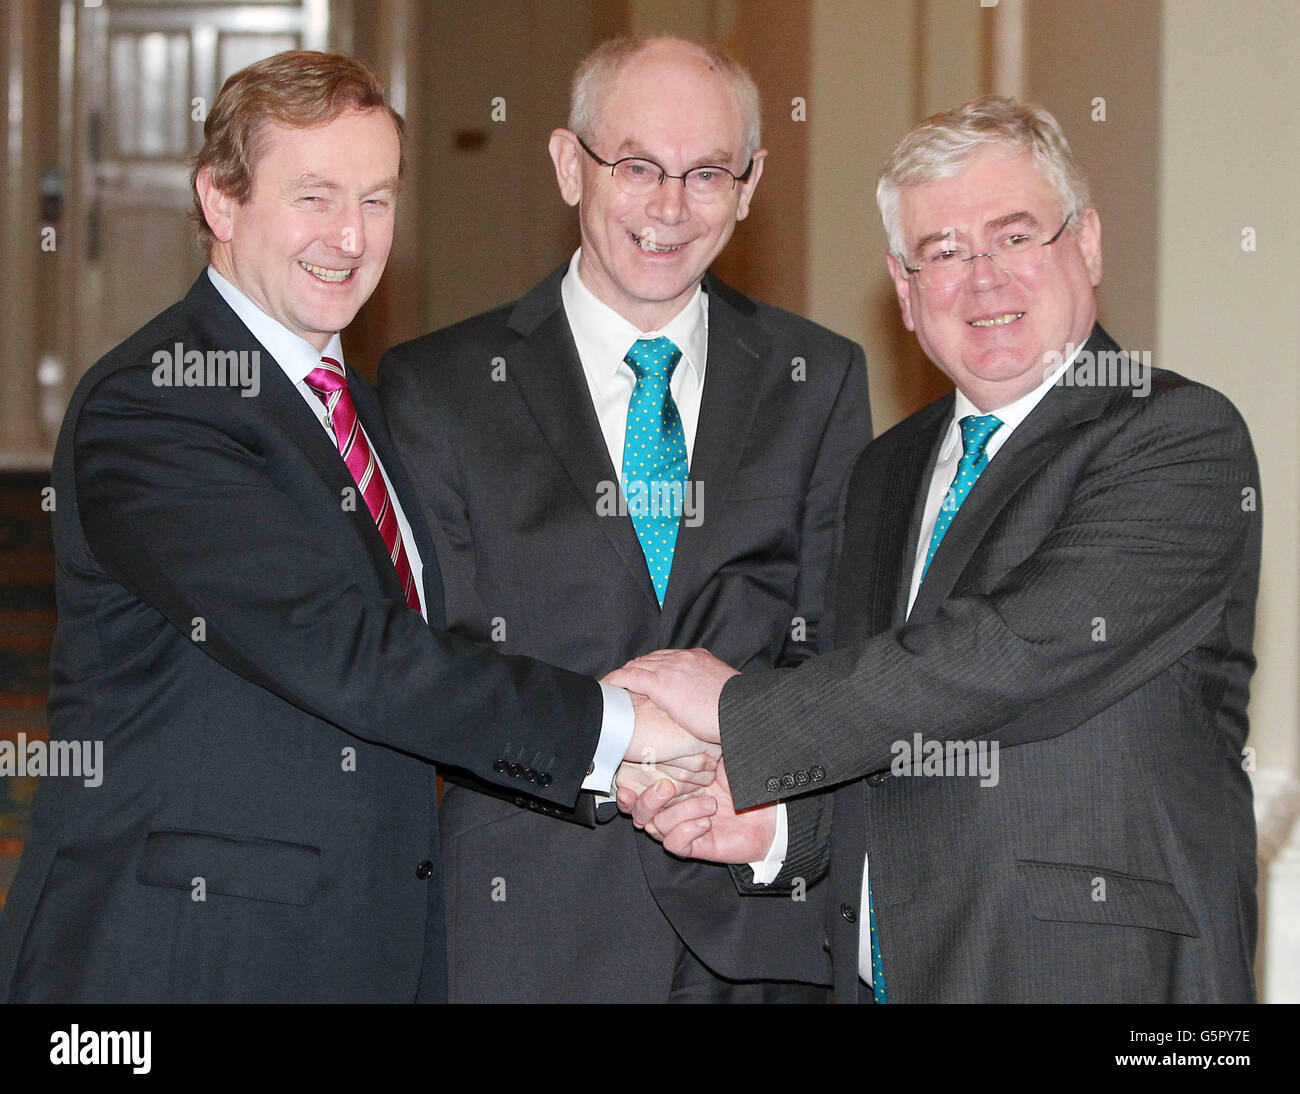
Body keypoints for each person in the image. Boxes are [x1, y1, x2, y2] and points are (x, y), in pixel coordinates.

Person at [0, 50, 704, 1003]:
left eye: (376, 200)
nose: (350, 236)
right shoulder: (158, 403)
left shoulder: (358, 407)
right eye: (315, 197)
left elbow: (429, 654)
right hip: (184, 954)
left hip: (357, 936)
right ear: (220, 200)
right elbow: (350, 654)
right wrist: (619, 729)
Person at [613, 96, 1261, 1004]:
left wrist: (743, 709)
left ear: (1090, 244)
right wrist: (779, 831)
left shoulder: (1177, 437)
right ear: (905, 290)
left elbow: (1008, 655)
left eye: (1016, 236)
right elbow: (899, 737)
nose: (983, 280)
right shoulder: (885, 470)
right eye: (945, 253)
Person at [380, 36, 870, 1002]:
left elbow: (843, 649)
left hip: (757, 920)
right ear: (569, 164)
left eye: (707, 173)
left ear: (750, 183)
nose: (670, 206)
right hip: (528, 922)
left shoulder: (818, 378)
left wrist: (740, 766)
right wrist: (619, 739)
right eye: (637, 165)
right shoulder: (438, 389)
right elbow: (440, 662)